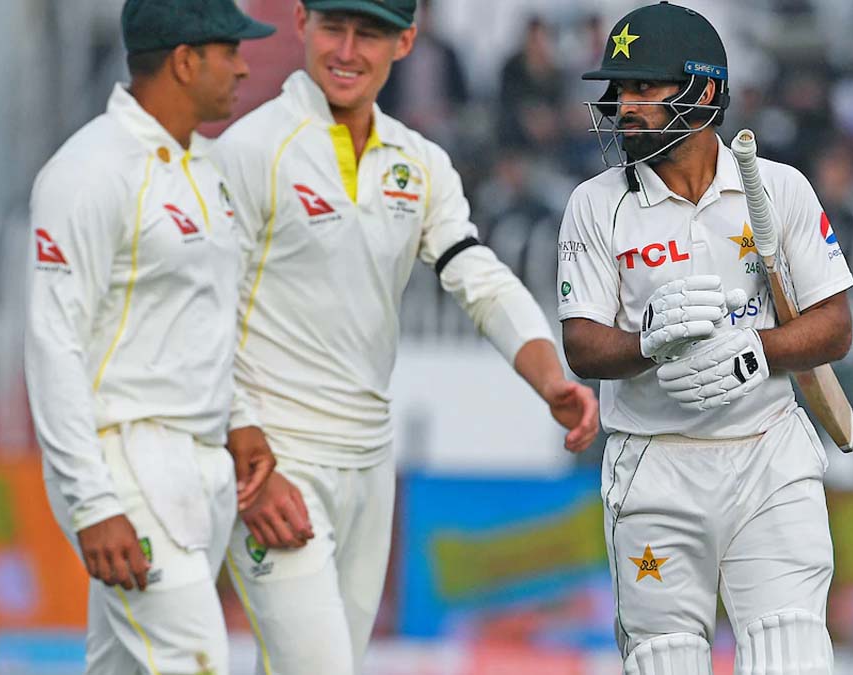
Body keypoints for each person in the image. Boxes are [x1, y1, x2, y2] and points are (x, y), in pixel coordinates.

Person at [210, 1, 599, 672]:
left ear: (407, 40)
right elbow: (202, 308)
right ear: (301, 22)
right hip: (278, 457)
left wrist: (549, 374)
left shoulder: (416, 161)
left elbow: (476, 273)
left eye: (371, 34)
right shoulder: (249, 151)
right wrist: (245, 442)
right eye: (334, 27)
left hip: (369, 462)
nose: (347, 51)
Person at [557, 3, 853, 672]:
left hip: (768, 457)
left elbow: (834, 326)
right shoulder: (596, 203)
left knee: (792, 654)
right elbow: (582, 345)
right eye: (619, 90)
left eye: (643, 88)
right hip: (654, 465)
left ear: (705, 92)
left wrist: (757, 351)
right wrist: (647, 342)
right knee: (664, 659)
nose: (623, 106)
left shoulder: (779, 188)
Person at [24, 1, 276, 672]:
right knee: (198, 661)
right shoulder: (88, 172)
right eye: (230, 51)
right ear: (185, 60)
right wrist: (93, 500)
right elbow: (54, 342)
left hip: (201, 466)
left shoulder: (207, 169)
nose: (245, 67)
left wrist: (242, 418)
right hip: (125, 463)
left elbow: (209, 319)